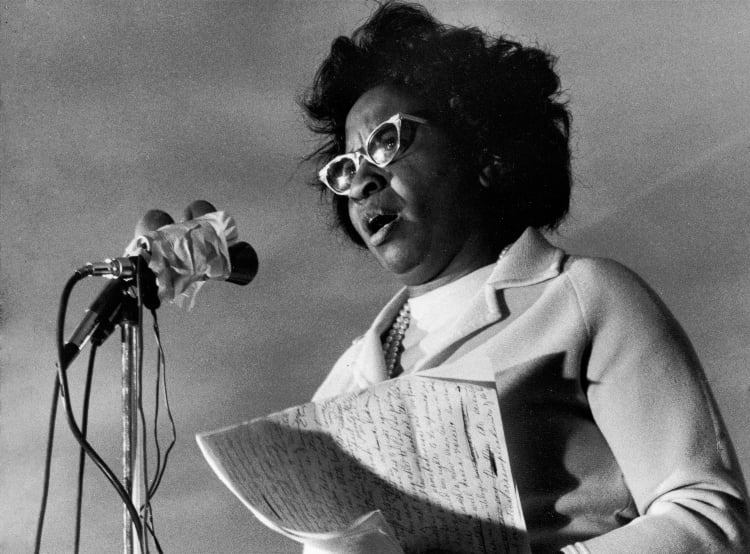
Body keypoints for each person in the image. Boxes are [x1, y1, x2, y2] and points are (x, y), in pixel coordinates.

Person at [299, 2, 749, 552]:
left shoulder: (586, 298)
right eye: (344, 169)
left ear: (483, 151)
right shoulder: (343, 387)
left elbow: (708, 518)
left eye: (387, 142)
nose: (363, 178)